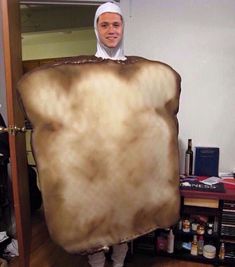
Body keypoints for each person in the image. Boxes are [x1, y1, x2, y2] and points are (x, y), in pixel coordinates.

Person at [87, 2, 128, 267]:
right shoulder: (84, 69)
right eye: (105, 25)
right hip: (93, 154)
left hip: (126, 153)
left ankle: (119, 261)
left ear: (123, 27)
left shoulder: (134, 69)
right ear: (96, 29)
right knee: (95, 213)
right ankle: (97, 262)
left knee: (123, 214)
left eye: (116, 24)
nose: (111, 30)